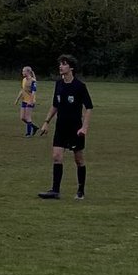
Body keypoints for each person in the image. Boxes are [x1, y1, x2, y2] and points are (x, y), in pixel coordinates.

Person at [37, 55, 94, 200]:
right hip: (61, 126)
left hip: (75, 128)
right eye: (60, 64)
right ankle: (55, 191)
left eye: (64, 64)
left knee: (79, 160)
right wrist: (46, 122)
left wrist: (85, 127)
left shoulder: (80, 86)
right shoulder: (58, 84)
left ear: (71, 68)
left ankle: (80, 190)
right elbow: (55, 105)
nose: (60, 67)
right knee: (56, 156)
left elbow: (89, 108)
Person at [14, 66, 39, 136]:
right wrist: (17, 99)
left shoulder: (33, 81)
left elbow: (33, 92)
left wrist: (30, 101)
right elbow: (22, 90)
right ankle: (34, 127)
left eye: (23, 71)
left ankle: (28, 133)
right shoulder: (24, 80)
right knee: (22, 117)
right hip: (24, 100)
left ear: (28, 72)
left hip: (30, 101)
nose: (22, 72)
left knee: (28, 117)